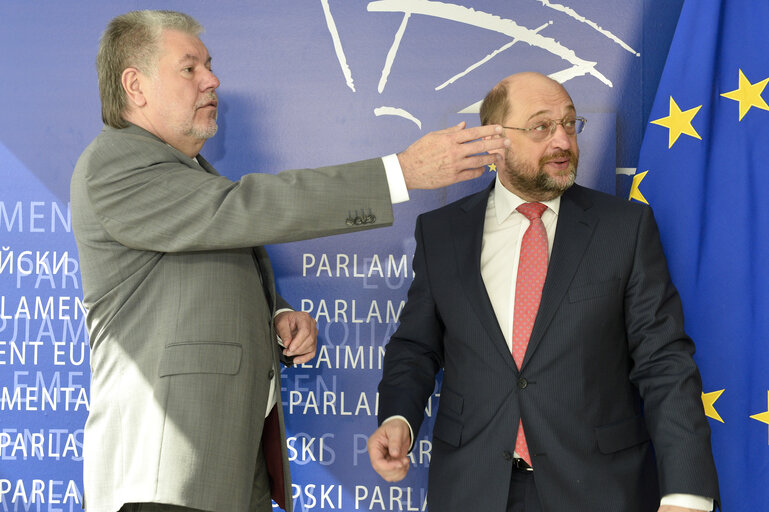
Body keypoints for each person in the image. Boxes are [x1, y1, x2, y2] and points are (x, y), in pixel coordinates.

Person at [70, 9, 508, 512]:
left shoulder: (188, 173)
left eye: (209, 65)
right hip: (163, 478)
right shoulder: (116, 164)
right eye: (190, 68)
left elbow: (191, 275)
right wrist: (400, 173)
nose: (213, 80)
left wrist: (274, 316)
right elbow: (244, 209)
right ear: (135, 85)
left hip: (227, 474)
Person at [368, 72, 720, 512]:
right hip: (472, 488)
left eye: (570, 125)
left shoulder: (624, 229)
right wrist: (398, 415)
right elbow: (415, 347)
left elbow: (664, 362)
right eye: (542, 127)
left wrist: (686, 492)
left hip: (599, 490)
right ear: (495, 142)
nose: (563, 141)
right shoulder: (442, 233)